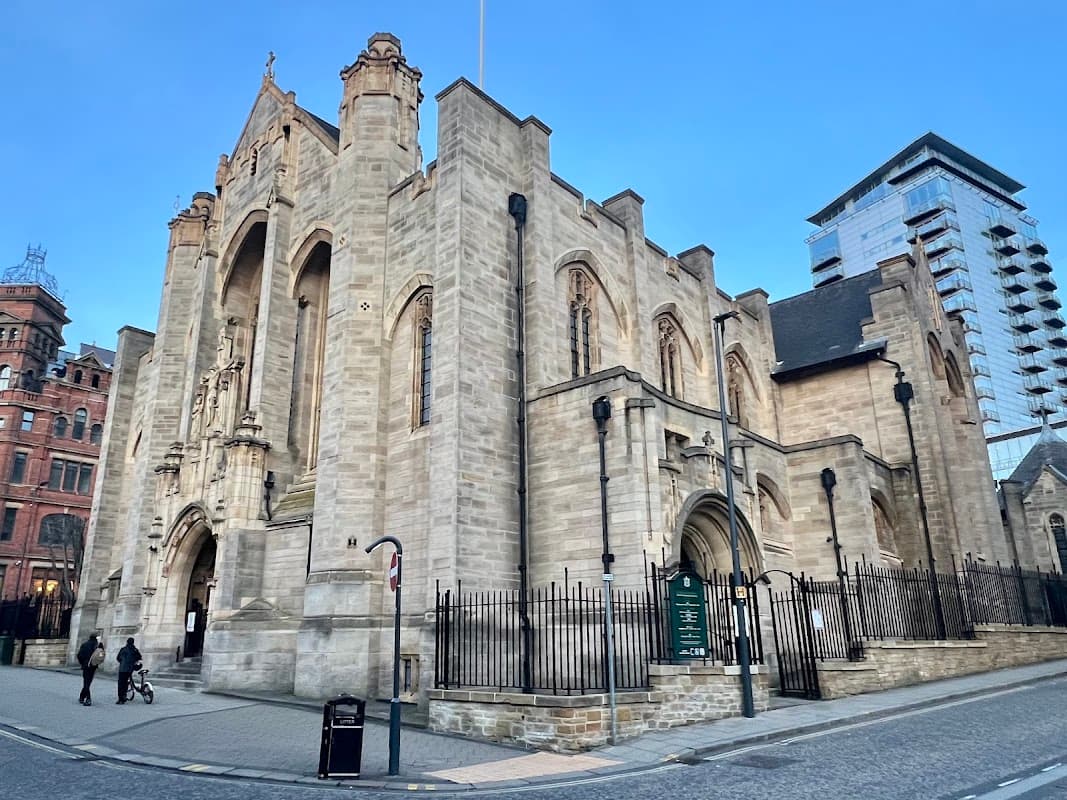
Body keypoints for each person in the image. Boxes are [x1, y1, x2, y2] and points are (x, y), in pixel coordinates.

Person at [76, 633, 102, 706]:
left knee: (86, 682)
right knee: (88, 682)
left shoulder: (85, 645)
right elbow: (101, 656)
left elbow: (79, 655)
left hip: (86, 665)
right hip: (93, 666)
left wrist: (82, 663)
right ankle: (82, 697)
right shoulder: (98, 645)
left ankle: (88, 698)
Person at [116, 637, 142, 704]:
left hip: (122, 669)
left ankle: (120, 699)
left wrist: (123, 662)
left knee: (121, 683)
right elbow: (139, 657)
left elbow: (118, 658)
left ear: (127, 642)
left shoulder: (123, 649)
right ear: (133, 642)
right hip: (130, 669)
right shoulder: (135, 650)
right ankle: (124, 695)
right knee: (126, 682)